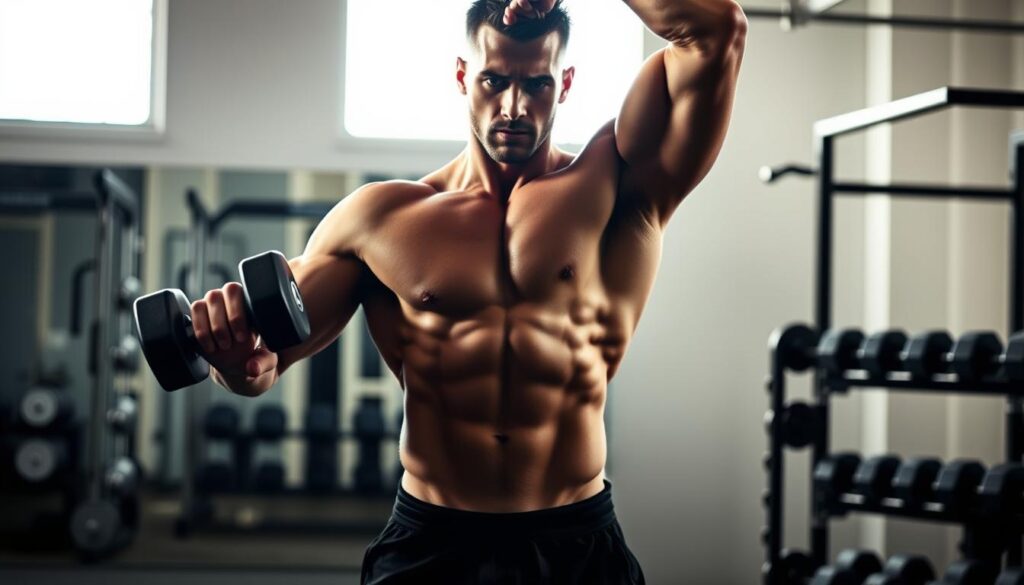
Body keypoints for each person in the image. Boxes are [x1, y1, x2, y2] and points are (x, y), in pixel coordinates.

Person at [190, 0, 745, 582]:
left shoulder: (618, 189)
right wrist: (233, 362)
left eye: (537, 84)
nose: (514, 106)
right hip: (433, 542)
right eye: (494, 80)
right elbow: (260, 365)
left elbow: (716, 29)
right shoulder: (380, 218)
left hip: (573, 542)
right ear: (463, 76)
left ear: (567, 84)